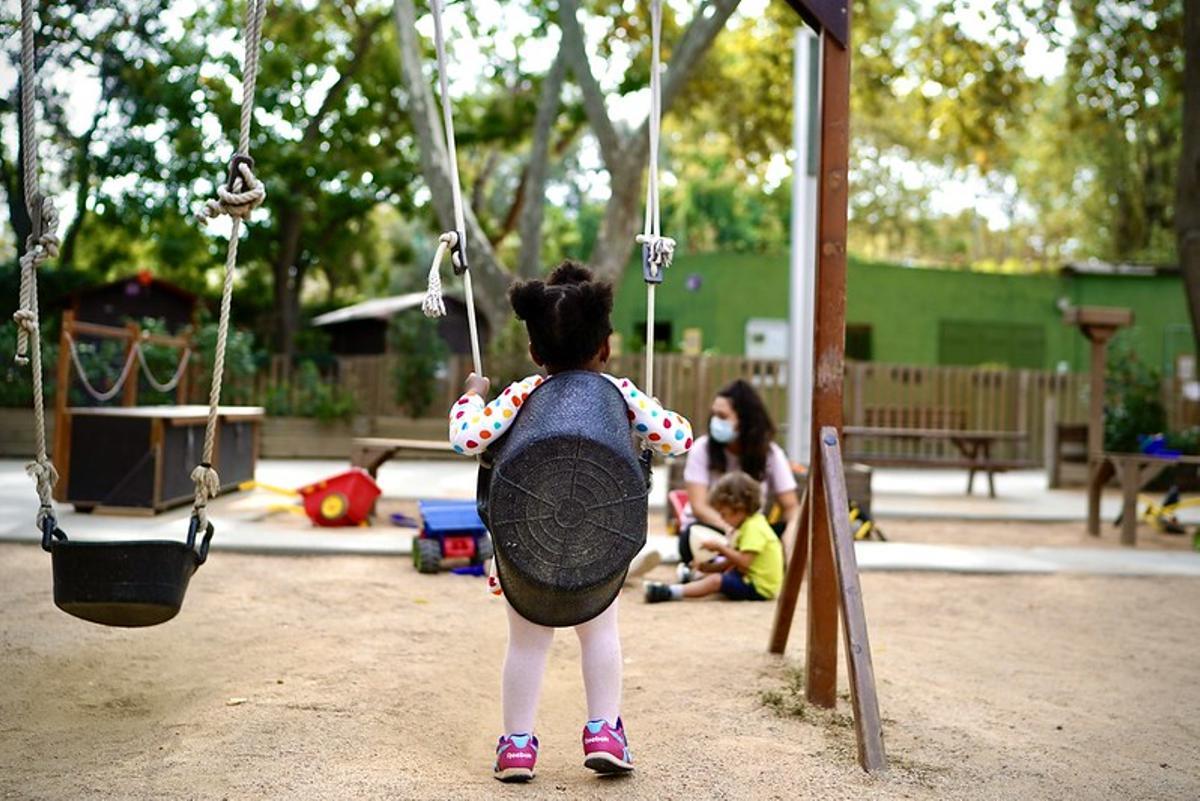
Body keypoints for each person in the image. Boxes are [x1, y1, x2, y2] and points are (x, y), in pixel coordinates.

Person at [447, 261, 693, 783]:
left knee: (526, 644)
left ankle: (516, 747)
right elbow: (681, 440)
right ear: (605, 347)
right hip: (597, 544)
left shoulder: (520, 395)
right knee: (600, 633)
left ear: (535, 353)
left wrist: (472, 393)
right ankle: (603, 731)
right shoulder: (623, 396)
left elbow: (467, 438)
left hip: (527, 544)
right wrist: (650, 414)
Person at [675, 379, 799, 577]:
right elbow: (699, 507)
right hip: (712, 530)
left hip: (751, 534)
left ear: (745, 421)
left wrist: (791, 535)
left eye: (722, 416)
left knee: (793, 536)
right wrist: (732, 531)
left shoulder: (771, 454)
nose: (715, 421)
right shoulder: (702, 449)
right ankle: (733, 566)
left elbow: (791, 506)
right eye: (714, 414)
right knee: (693, 537)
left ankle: (719, 569)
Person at [643, 471, 783, 603]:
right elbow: (732, 563)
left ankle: (670, 592)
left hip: (759, 587)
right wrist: (708, 568)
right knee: (714, 577)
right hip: (748, 578)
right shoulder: (747, 526)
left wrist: (720, 548)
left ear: (739, 508)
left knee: (716, 581)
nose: (721, 519)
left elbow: (744, 562)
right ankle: (692, 577)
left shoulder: (754, 527)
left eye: (724, 514)